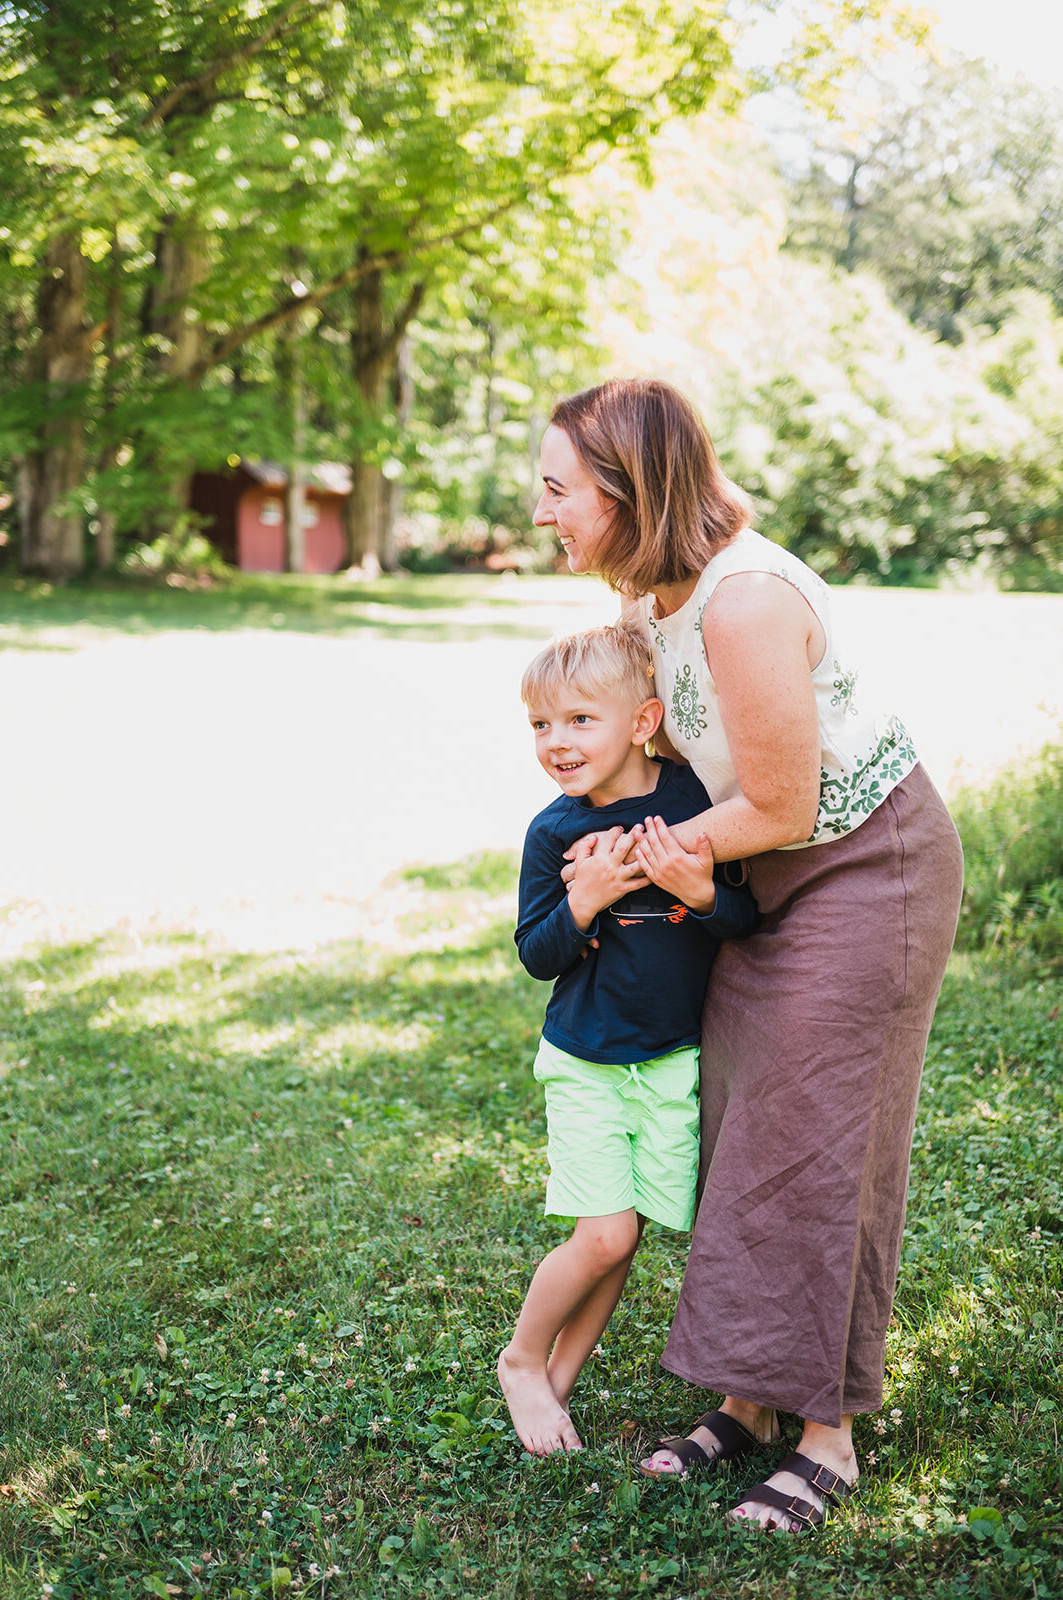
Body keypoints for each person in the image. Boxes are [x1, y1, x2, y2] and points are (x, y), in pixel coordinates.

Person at [531, 379, 964, 1531]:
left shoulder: (744, 601)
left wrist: (622, 866)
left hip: (865, 867)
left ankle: (827, 1434)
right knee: (738, 1122)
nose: (540, 513)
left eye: (556, 489)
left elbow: (779, 797)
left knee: (817, 1131)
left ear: (629, 490)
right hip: (751, 873)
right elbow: (655, 740)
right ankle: (749, 1402)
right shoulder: (650, 600)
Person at [498, 623, 757, 1457]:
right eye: (541, 724)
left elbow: (741, 917)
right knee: (603, 1234)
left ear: (643, 721)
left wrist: (698, 887)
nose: (556, 742)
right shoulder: (553, 832)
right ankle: (520, 1359)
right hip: (587, 1056)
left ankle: (557, 1385)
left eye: (579, 721)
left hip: (670, 1059)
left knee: (628, 1235)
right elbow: (537, 953)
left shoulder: (691, 800)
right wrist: (586, 900)